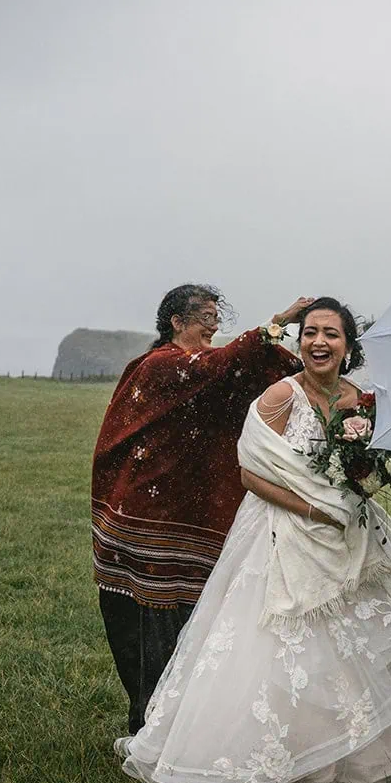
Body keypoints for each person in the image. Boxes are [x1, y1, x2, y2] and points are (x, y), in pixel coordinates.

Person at [118, 298, 391, 783]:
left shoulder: (363, 401)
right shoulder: (279, 396)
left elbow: (379, 467)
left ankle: (370, 753)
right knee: (277, 642)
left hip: (353, 534)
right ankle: (273, 761)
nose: (317, 342)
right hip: (282, 531)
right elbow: (250, 472)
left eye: (330, 334)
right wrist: (314, 507)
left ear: (348, 346)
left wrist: (364, 483)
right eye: (310, 332)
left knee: (365, 639)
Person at [92, 285, 310, 735]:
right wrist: (276, 323)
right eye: (205, 317)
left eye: (216, 318)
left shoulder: (204, 372)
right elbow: (222, 363)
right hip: (149, 518)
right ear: (176, 321)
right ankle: (150, 723)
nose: (213, 326)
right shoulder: (162, 366)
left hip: (194, 517)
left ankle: (182, 724)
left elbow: (244, 378)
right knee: (152, 621)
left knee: (196, 619)